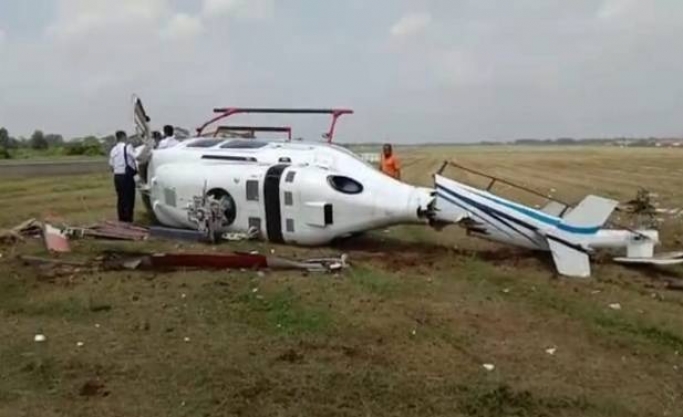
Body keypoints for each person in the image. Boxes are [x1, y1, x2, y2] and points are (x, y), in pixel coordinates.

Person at [109, 131, 138, 223]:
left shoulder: (113, 150)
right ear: (124, 137)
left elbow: (111, 165)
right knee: (129, 198)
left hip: (117, 176)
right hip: (126, 176)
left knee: (121, 198)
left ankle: (121, 218)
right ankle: (128, 218)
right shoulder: (128, 147)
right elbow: (136, 157)